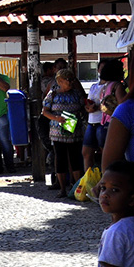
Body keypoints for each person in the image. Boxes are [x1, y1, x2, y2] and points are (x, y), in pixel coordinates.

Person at [42, 67, 87, 197]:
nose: (71, 82)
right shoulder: (53, 94)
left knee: (75, 159)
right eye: (68, 80)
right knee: (60, 158)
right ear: (60, 81)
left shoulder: (76, 94)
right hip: (58, 132)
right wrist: (57, 118)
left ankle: (76, 187)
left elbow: (83, 108)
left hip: (74, 131)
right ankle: (62, 188)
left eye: (72, 80)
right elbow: (45, 111)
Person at [84, 59, 128, 172]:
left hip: (103, 122)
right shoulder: (117, 86)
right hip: (112, 123)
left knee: (104, 156)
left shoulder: (105, 86)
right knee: (112, 157)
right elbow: (123, 105)